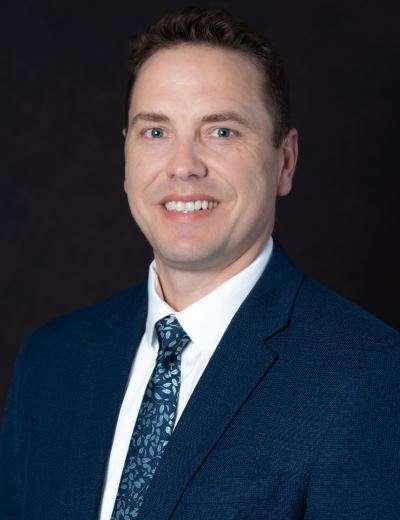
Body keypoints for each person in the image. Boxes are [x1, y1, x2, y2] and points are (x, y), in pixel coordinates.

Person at [1, 6, 399, 520]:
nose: (183, 166)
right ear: (127, 157)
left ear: (285, 160)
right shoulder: (51, 361)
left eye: (222, 132)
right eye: (156, 132)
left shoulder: (369, 375)